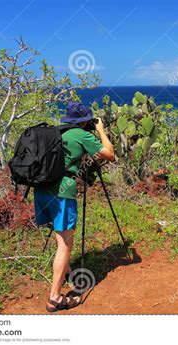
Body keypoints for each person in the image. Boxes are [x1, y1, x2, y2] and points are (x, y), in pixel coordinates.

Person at [34, 102, 114, 312]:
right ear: (84, 121)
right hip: (62, 192)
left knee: (61, 236)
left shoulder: (58, 132)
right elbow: (109, 153)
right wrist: (101, 130)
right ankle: (55, 299)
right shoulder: (81, 134)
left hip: (42, 190)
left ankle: (67, 269)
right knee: (65, 244)